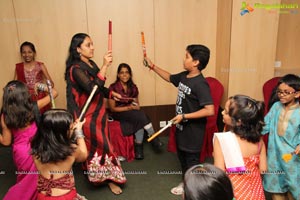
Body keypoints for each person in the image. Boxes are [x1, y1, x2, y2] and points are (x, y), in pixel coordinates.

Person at [145, 44, 214, 195]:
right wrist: (152, 66)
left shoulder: (201, 84)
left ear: (196, 62)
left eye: (187, 56)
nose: (184, 59)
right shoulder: (184, 76)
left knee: (192, 163)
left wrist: (184, 116)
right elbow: (169, 77)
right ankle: (186, 182)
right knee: (182, 159)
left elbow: (210, 110)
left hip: (194, 133)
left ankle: (194, 191)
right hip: (182, 129)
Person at [65, 33, 126, 195]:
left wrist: (112, 94)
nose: (92, 47)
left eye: (92, 44)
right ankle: (108, 179)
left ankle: (98, 174)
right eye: (88, 45)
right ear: (78, 49)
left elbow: (100, 87)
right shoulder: (75, 69)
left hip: (99, 112)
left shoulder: (90, 63)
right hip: (87, 115)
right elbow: (92, 88)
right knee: (102, 146)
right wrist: (105, 66)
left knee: (99, 144)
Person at [0, 80, 58, 200]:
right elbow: (55, 93)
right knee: (42, 176)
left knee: (25, 180)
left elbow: (6, 141)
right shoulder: (33, 107)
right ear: (25, 95)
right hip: (39, 146)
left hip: (21, 152)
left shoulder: (5, 116)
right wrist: (39, 86)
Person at [213, 94, 267, 200]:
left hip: (234, 193)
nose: (222, 112)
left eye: (226, 112)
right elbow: (263, 170)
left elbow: (219, 173)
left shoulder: (222, 140)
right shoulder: (259, 140)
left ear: (239, 121)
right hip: (256, 192)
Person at [108, 63, 163, 160]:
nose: (124, 75)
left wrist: (135, 106)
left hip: (132, 113)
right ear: (118, 75)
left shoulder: (133, 87)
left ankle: (139, 151)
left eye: (127, 73)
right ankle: (153, 139)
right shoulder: (113, 88)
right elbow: (113, 109)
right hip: (118, 113)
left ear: (130, 74)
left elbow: (137, 104)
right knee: (140, 117)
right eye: (122, 73)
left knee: (139, 118)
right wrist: (130, 108)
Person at [31, 109, 88, 199]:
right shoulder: (72, 150)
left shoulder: (36, 148)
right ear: (61, 133)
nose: (73, 127)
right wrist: (78, 132)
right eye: (71, 127)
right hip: (65, 197)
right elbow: (84, 155)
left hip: (43, 196)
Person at [261, 74, 300, 200]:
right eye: (279, 92)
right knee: (276, 187)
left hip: (292, 157)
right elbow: (265, 125)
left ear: (297, 94)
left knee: (293, 187)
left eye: (286, 92)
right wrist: (248, 131)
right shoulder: (276, 107)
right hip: (274, 156)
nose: (282, 95)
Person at [14, 41, 55, 113]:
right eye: (24, 52)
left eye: (30, 52)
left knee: (42, 121)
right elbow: (14, 85)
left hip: (41, 98)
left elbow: (51, 84)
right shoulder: (18, 67)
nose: (27, 55)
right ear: (21, 54)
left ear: (34, 53)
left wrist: (40, 86)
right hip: (25, 99)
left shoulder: (40, 65)